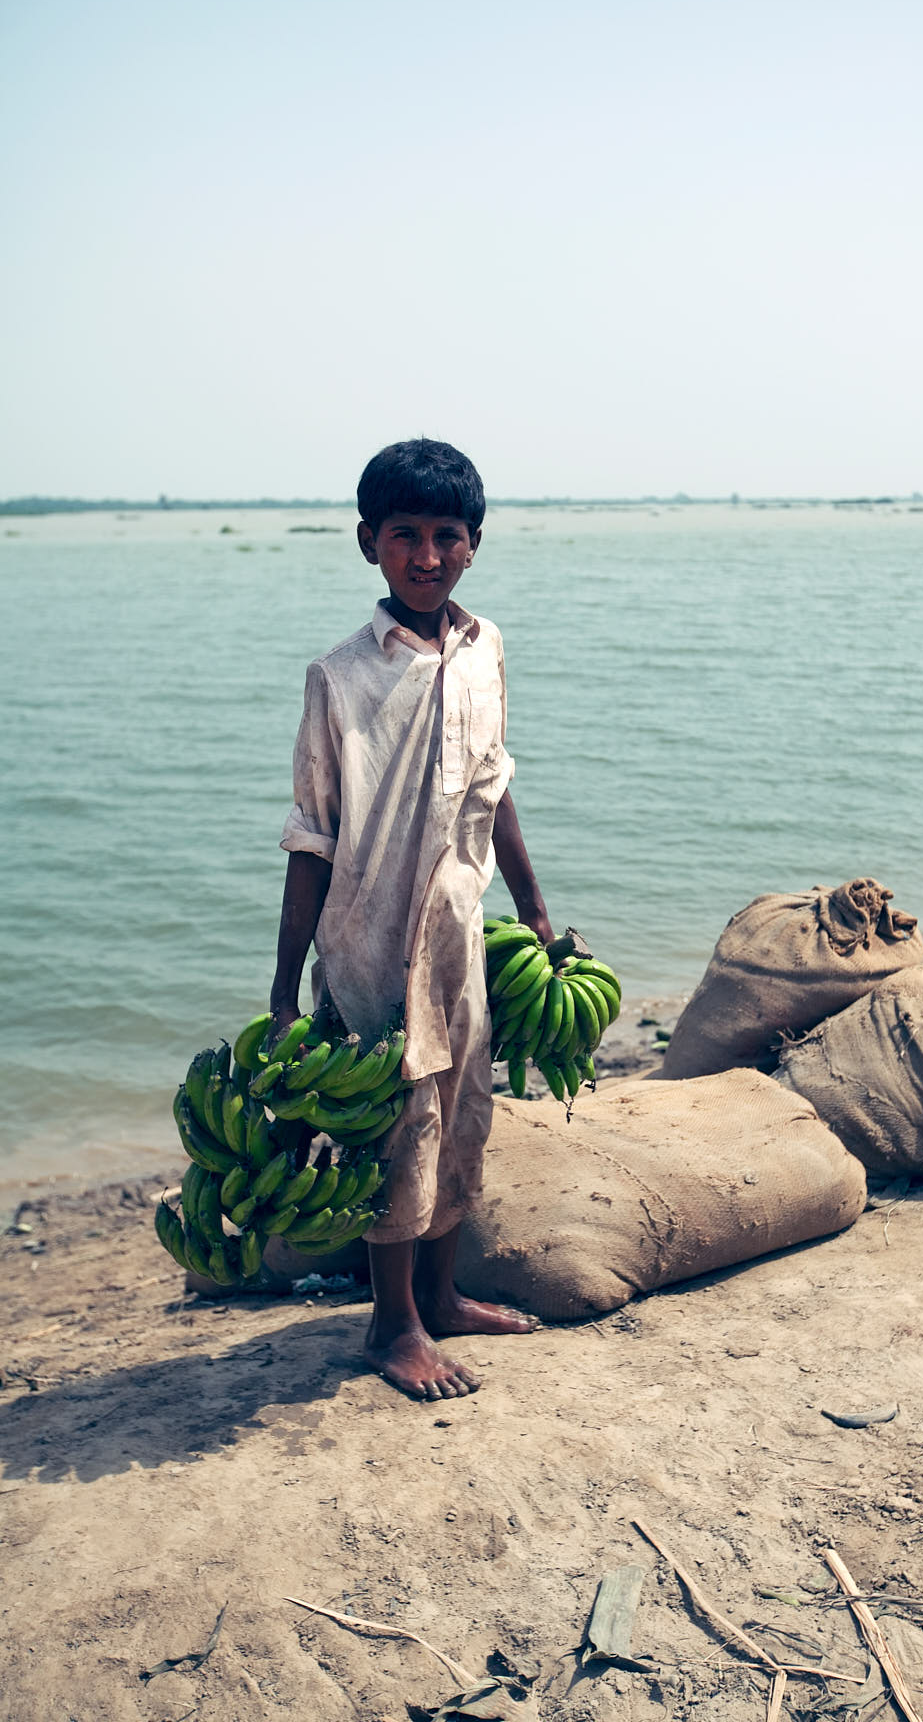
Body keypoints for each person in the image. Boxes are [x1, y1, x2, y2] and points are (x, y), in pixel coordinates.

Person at [270, 437, 554, 1400]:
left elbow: (495, 788)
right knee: (395, 1135)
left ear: (473, 545)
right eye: (404, 537)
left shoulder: (488, 651)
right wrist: (280, 990)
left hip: (459, 938)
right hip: (367, 950)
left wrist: (539, 916)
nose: (425, 556)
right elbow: (311, 838)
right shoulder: (337, 678)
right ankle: (391, 1330)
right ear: (368, 544)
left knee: (463, 1120)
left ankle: (441, 1296)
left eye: (445, 536)